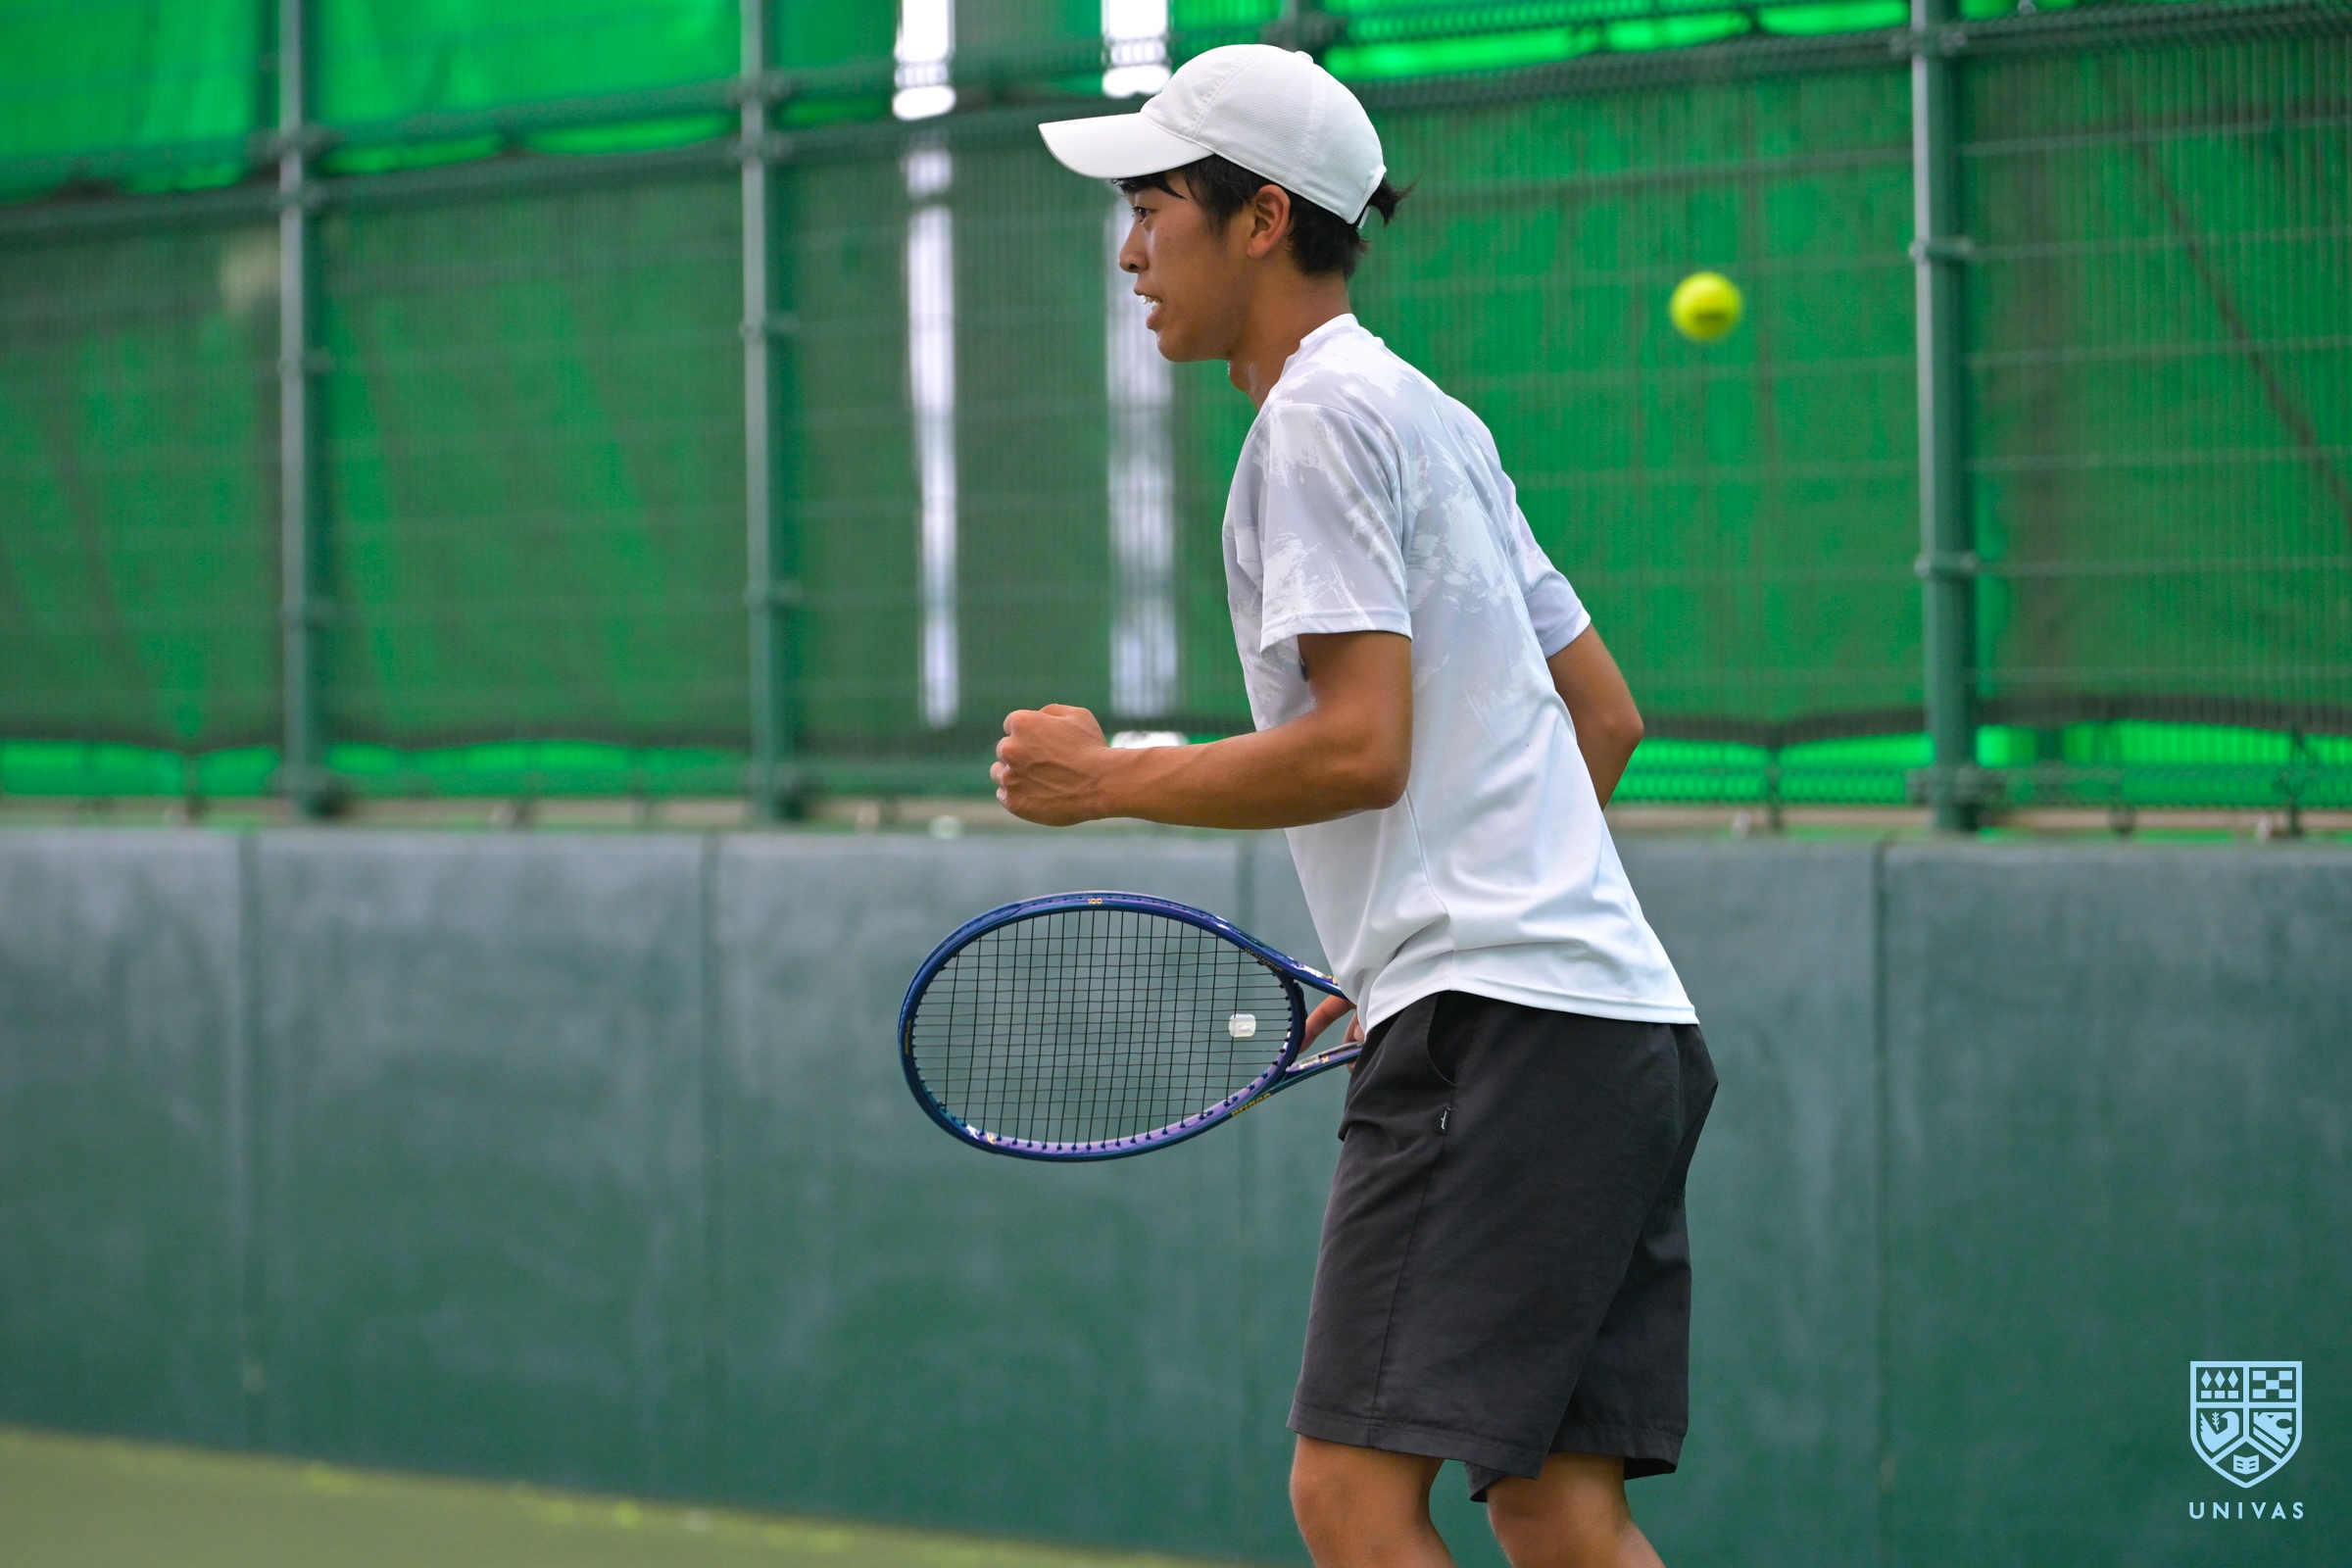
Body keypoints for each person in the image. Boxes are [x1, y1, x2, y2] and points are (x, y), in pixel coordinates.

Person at [1001, 44, 1716, 1568]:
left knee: (1350, 1498)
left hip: (1502, 1036)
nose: (1130, 253)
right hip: (1621, 1033)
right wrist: (1414, 930)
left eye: (1153, 210)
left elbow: (1360, 748)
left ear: (1261, 219)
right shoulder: (1433, 416)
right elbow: (1605, 719)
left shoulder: (1315, 423)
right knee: (1560, 1506)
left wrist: (1104, 781)